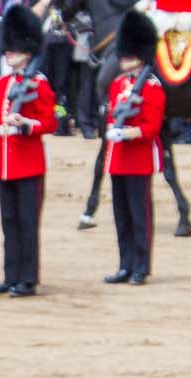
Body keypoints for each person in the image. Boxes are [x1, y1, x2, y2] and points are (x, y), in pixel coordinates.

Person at [0, 4, 55, 297]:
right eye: (8, 50)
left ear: (27, 52)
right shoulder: (0, 84)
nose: (9, 54)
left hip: (28, 164)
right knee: (9, 222)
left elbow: (49, 122)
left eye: (14, 50)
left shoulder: (39, 84)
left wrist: (26, 124)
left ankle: (27, 277)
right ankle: (10, 273)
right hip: (5, 163)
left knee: (27, 223)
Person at [103, 9, 164, 285]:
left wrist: (128, 133)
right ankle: (125, 263)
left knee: (140, 215)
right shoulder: (117, 85)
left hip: (138, 157)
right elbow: (112, 115)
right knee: (122, 215)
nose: (124, 60)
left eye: (128, 56)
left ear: (139, 56)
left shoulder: (152, 87)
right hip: (118, 159)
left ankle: (141, 265)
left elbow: (152, 127)